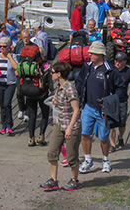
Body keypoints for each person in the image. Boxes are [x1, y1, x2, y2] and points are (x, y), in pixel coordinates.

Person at [76, 41, 124, 174]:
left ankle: (106, 160)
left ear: (100, 54)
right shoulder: (87, 67)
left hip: (103, 110)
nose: (89, 54)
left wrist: (109, 101)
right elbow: (79, 82)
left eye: (92, 53)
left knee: (103, 137)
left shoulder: (111, 70)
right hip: (87, 107)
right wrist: (79, 97)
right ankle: (88, 160)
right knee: (85, 133)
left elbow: (121, 89)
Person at [41, 62, 82, 192]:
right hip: (59, 124)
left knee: (71, 156)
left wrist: (70, 128)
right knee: (52, 152)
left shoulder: (70, 89)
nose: (51, 75)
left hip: (71, 126)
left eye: (52, 72)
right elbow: (61, 101)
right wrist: (55, 100)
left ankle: (74, 180)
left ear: (59, 74)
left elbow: (76, 110)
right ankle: (53, 180)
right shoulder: (59, 87)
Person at [16, 30, 49, 147]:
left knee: (32, 115)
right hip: (41, 92)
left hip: (28, 90)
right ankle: (41, 136)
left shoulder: (26, 64)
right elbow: (49, 80)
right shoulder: (45, 65)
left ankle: (31, 138)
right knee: (45, 114)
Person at [0, 37, 18, 135]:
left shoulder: (13, 56)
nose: (2, 48)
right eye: (0, 46)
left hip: (10, 83)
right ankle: (3, 124)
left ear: (9, 47)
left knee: (7, 104)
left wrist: (9, 57)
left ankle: (9, 124)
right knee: (2, 105)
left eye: (4, 46)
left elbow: (16, 67)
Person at [109, 52, 130, 151]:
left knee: (122, 123)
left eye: (120, 61)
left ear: (125, 62)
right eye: (116, 60)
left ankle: (120, 137)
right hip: (111, 100)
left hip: (122, 99)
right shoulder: (111, 70)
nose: (117, 63)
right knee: (111, 124)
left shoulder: (129, 72)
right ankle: (112, 144)